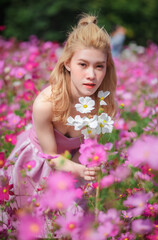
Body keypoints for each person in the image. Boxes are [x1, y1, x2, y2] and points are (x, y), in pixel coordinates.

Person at [6, 14, 117, 208]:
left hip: (75, 166)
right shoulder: (45, 103)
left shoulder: (101, 104)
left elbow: (83, 151)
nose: (91, 75)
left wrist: (83, 171)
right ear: (67, 63)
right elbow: (50, 157)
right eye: (83, 64)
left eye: (99, 66)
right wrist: (81, 171)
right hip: (37, 165)